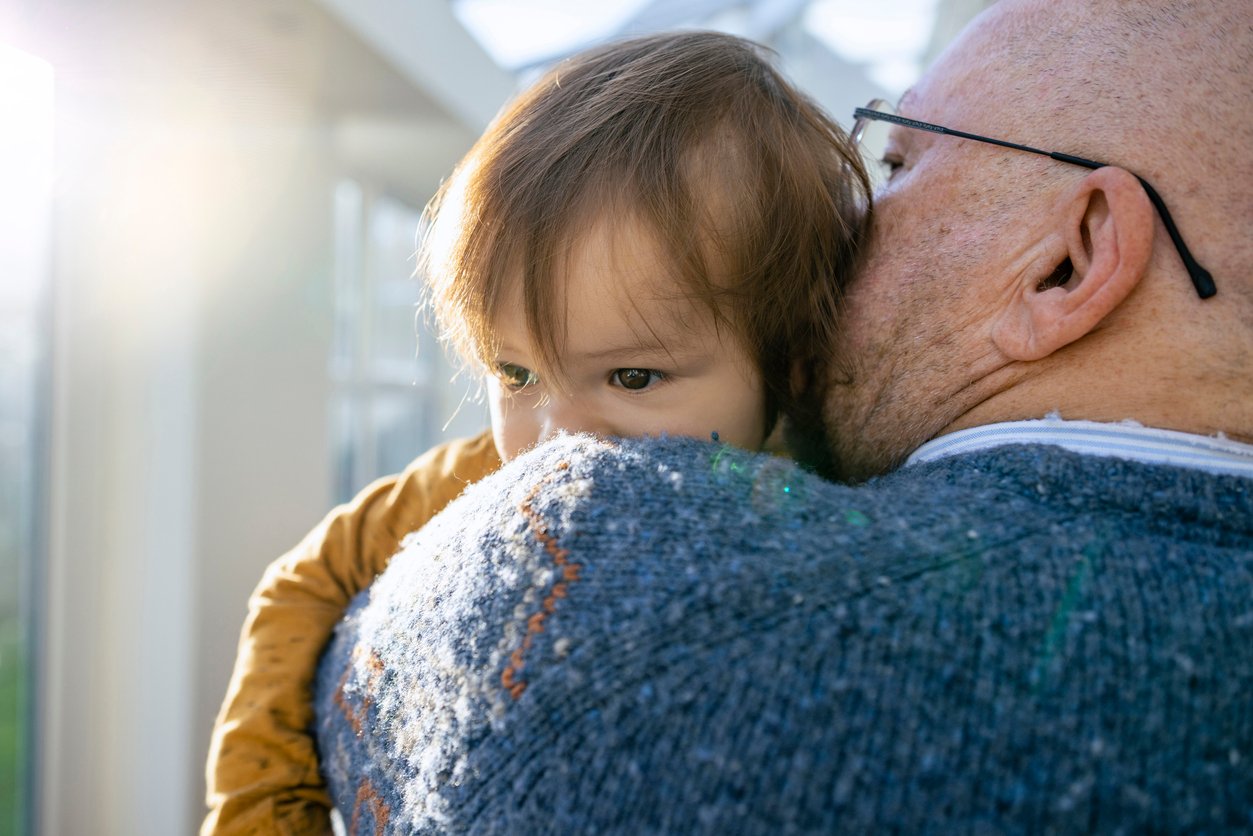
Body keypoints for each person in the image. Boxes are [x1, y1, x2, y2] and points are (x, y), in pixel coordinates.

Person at [312, 0, 1252, 831]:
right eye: (511, 371)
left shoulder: (611, 583)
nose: (855, 227)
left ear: (1067, 260)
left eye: (897, 161)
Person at [203, 31, 868, 835]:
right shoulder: (477, 477)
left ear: (791, 362)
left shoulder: (849, 482)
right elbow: (302, 583)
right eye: (515, 374)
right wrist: (268, 817)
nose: (559, 437)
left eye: (630, 378)